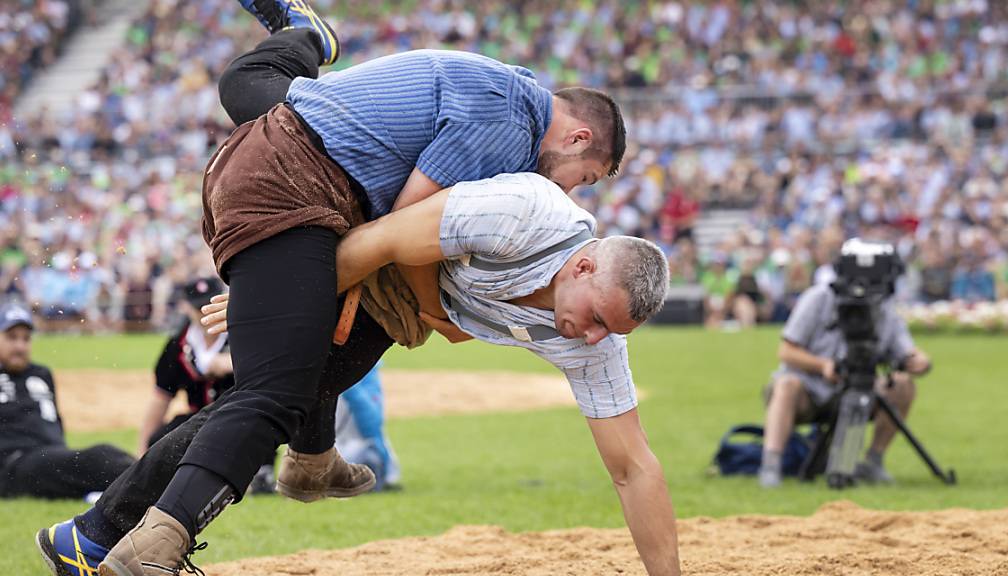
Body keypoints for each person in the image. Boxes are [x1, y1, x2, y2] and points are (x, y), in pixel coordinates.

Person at [39, 172, 680, 576]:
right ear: (585, 265)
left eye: (610, 333)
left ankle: (103, 532)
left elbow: (634, 466)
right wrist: (271, 297)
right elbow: (378, 241)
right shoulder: (522, 213)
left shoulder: (595, 339)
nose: (593, 338)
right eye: (595, 318)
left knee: (274, 404)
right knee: (263, 406)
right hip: (348, 219)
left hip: (395, 300)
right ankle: (101, 538)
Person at [758, 240, 932, 488]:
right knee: (786, 384)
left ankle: (873, 462)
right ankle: (770, 465)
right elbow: (786, 350)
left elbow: (906, 350)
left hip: (862, 389)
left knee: (903, 384)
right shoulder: (818, 298)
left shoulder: (885, 309)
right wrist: (823, 366)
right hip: (811, 391)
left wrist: (919, 361)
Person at [136, 277, 277, 494]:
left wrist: (233, 363)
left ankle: (260, 473)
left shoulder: (244, 333)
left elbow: (273, 372)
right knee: (161, 439)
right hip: (199, 421)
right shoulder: (177, 345)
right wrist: (142, 456)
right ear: (185, 307)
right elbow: (161, 398)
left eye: (210, 304)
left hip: (243, 418)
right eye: (198, 307)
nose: (205, 312)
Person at [0, 301, 135, 500]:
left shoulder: (41, 373)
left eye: (26, 339)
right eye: (12, 338)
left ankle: (142, 484)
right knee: (100, 458)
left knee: (97, 458)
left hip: (51, 457)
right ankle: (153, 484)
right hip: (15, 463)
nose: (20, 346)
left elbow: (56, 421)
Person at [335, 361, 401, 491]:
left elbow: (371, 425)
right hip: (332, 447)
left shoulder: (367, 374)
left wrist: (348, 385)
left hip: (360, 449)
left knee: (368, 456)